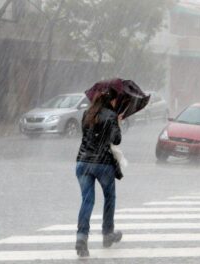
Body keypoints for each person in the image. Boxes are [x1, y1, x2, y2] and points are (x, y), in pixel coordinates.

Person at [75, 88, 123, 257]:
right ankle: (107, 234)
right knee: (109, 198)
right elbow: (116, 140)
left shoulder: (87, 114)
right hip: (103, 164)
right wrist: (117, 122)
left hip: (83, 162)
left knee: (87, 201)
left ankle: (81, 238)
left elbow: (88, 137)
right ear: (112, 101)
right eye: (116, 101)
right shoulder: (111, 116)